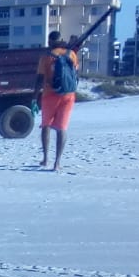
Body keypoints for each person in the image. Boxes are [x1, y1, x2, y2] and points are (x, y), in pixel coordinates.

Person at [33, 30, 80, 171]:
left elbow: (40, 78)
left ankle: (46, 159)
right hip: (68, 95)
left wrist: (34, 97)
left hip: (50, 95)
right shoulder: (71, 54)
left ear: (49, 42)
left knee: (46, 125)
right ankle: (57, 163)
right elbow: (75, 73)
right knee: (62, 129)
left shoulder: (46, 57)